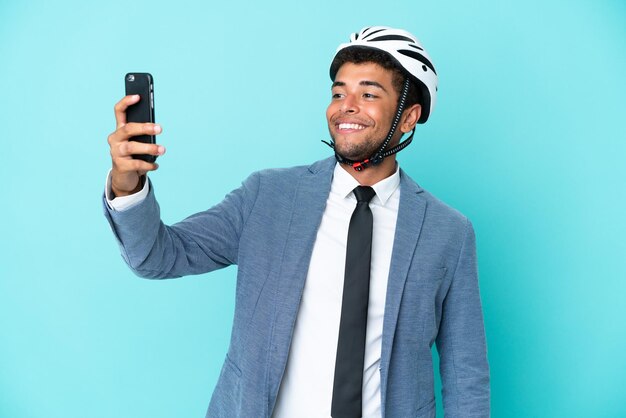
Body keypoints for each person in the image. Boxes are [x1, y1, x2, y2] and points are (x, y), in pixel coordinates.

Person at [104, 26, 489, 418]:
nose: (347, 106)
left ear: (409, 117)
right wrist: (127, 181)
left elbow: (465, 375)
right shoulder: (267, 197)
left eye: (369, 94)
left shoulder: (449, 233)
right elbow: (156, 256)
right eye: (339, 93)